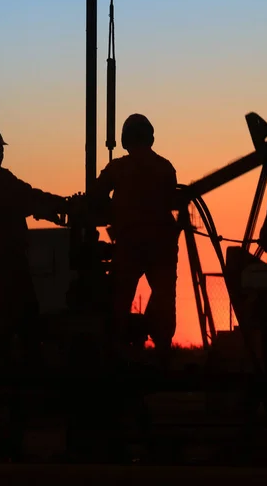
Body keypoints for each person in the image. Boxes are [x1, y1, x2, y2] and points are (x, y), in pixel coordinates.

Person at [0, 126, 66, 364]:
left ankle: (10, 358)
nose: (1, 154)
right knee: (18, 306)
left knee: (8, 305)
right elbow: (23, 198)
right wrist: (58, 206)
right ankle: (17, 361)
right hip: (1, 256)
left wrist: (54, 207)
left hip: (0, 255)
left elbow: (25, 196)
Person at [91, 114, 179, 363]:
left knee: (120, 298)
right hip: (162, 244)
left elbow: (95, 195)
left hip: (129, 244)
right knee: (164, 295)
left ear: (126, 139)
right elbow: (171, 200)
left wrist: (113, 209)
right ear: (150, 137)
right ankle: (162, 348)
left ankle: (118, 348)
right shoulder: (165, 167)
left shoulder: (118, 168)